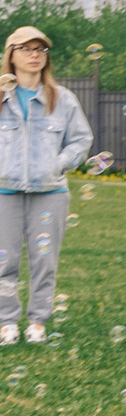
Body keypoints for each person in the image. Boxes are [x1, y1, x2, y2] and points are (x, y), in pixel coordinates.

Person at [0, 26, 91, 345]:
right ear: (11, 55)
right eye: (27, 48)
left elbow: (81, 140)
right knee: (3, 260)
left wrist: (57, 164)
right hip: (3, 192)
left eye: (41, 49)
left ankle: (38, 321)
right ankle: (6, 321)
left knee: (44, 260)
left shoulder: (62, 99)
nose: (35, 54)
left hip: (50, 193)